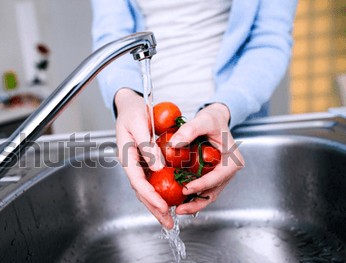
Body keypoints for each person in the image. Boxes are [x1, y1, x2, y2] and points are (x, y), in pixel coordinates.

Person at [90, 0, 298, 229]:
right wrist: (126, 98)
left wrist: (224, 108)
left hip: (230, 125)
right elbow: (112, 34)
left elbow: (269, 38)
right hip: (149, 131)